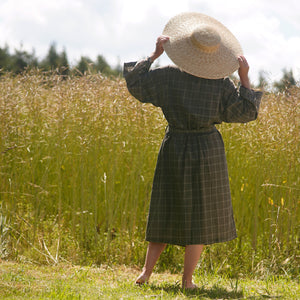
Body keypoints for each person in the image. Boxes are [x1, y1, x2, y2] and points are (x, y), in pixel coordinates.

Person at [123, 12, 262, 290]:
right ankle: (187, 281)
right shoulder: (221, 85)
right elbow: (247, 112)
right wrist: (244, 78)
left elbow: (135, 84)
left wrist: (153, 55)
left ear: (185, 48)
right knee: (200, 214)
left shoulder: (167, 77)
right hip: (206, 150)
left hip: (174, 144)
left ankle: (145, 274)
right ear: (215, 55)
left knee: (165, 207)